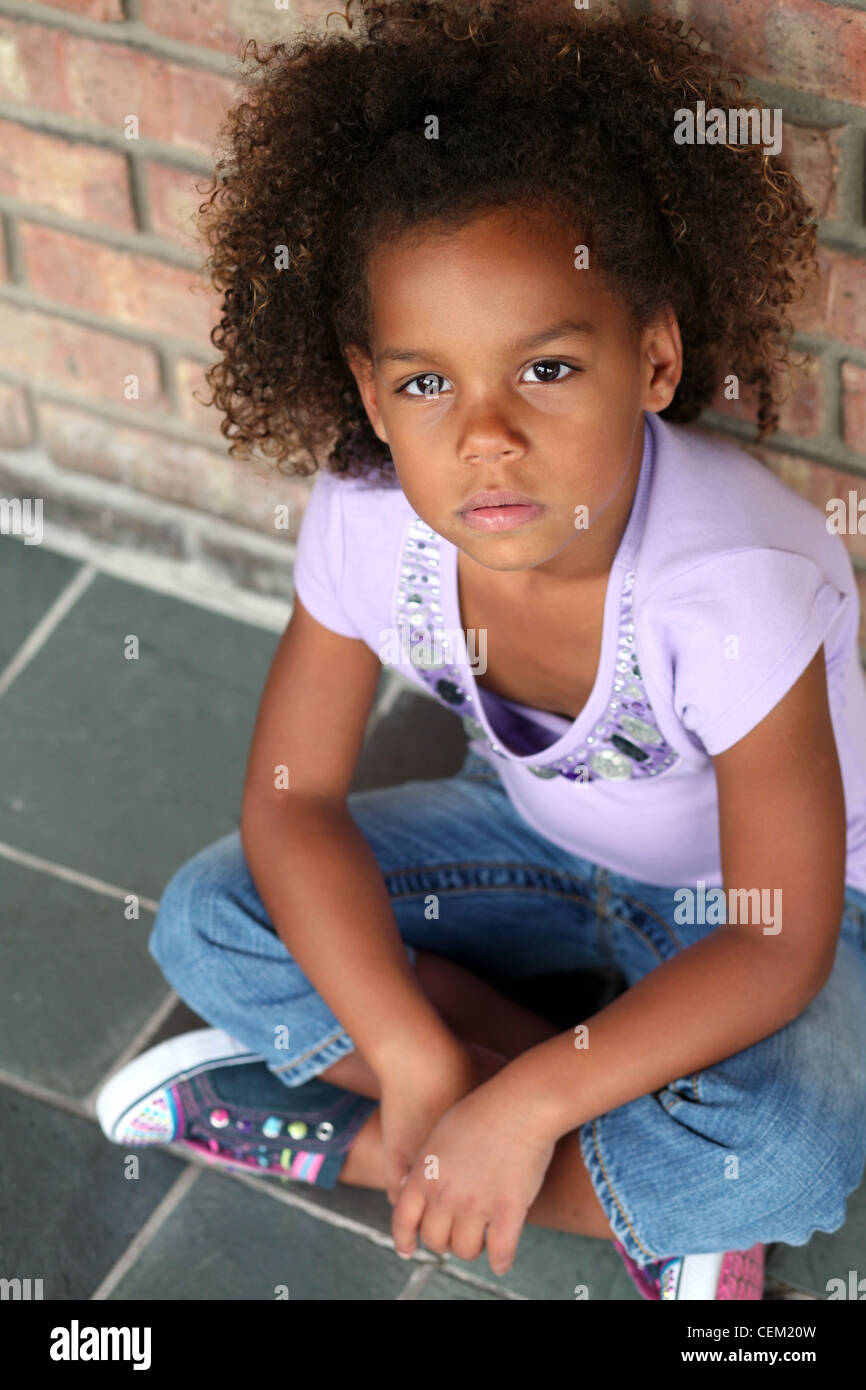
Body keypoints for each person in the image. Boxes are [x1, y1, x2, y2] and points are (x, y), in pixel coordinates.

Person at [96, 0, 866, 1301]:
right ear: (366, 387)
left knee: (786, 1151)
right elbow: (292, 810)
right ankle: (572, 1163)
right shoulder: (365, 522)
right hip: (529, 844)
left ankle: (361, 1143)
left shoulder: (735, 579)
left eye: (548, 371)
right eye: (426, 383)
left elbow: (775, 940)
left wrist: (510, 1106)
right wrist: (411, 1056)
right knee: (209, 921)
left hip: (774, 909)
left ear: (655, 357)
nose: (486, 438)